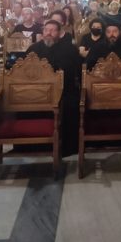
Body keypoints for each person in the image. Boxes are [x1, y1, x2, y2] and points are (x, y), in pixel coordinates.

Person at [27, 19, 81, 156]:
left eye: (52, 30)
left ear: (59, 33)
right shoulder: (34, 49)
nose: (48, 33)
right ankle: (34, 146)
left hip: (64, 90)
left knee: (71, 105)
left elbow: (76, 70)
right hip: (37, 91)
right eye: (46, 30)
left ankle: (66, 147)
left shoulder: (69, 49)